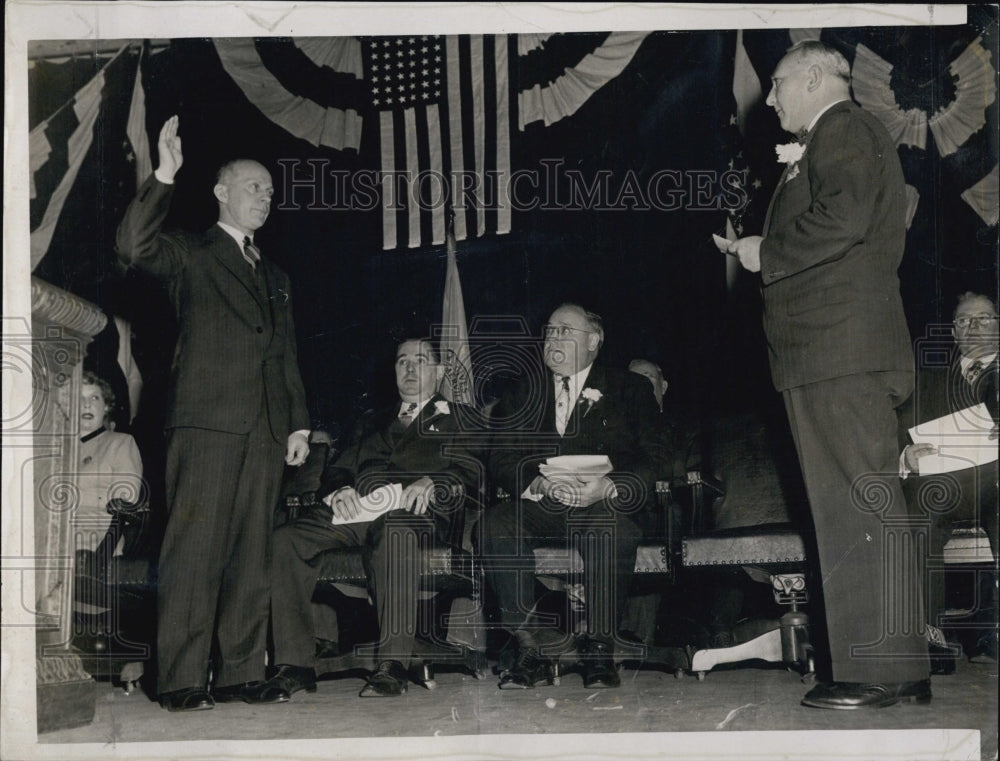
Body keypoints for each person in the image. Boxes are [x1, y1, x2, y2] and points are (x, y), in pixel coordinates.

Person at [727, 41, 931, 709]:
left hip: (839, 354)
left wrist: (765, 251)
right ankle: (894, 664)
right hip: (833, 354)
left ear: (814, 77)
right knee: (857, 506)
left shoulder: (842, 127)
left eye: (780, 85)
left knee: (854, 507)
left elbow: (841, 220)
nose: (772, 98)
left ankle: (880, 669)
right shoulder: (842, 134)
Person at [116, 116, 311, 711]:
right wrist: (164, 174)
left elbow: (284, 354)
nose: (266, 199)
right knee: (195, 551)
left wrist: (297, 423)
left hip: (265, 431)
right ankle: (178, 678)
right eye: (255, 187)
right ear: (222, 192)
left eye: (271, 192)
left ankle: (239, 672)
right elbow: (132, 246)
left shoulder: (274, 274)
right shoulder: (192, 254)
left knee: (250, 555)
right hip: (205, 424)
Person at [266, 338, 481, 698]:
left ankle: (392, 664)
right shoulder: (372, 420)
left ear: (440, 371)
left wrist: (434, 481)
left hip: (415, 515)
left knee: (393, 529)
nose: (410, 369)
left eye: (420, 361)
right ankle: (295, 665)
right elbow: (337, 469)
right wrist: (341, 490)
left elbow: (474, 471)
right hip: (359, 512)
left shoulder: (461, 417)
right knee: (285, 540)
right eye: (402, 362)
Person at [481, 303, 663, 689]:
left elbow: (656, 458)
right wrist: (538, 482)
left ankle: (599, 646)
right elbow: (501, 459)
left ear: (594, 341)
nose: (553, 338)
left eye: (565, 330)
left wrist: (610, 486)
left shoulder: (629, 388)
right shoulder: (520, 394)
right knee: (495, 522)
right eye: (549, 331)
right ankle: (529, 645)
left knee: (611, 528)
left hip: (602, 503)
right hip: (544, 505)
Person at [900, 292, 998, 662]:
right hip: (945, 485)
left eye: (984, 318)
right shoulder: (925, 381)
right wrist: (906, 456)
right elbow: (900, 429)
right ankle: (929, 635)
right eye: (963, 320)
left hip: (997, 484)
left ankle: (993, 636)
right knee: (916, 507)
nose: (972, 327)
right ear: (953, 332)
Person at [75, 371, 144, 553]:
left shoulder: (120, 442)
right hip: (54, 532)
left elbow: (126, 499)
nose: (87, 404)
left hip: (95, 538)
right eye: (80, 398)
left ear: (106, 406)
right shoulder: (57, 449)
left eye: (95, 398)